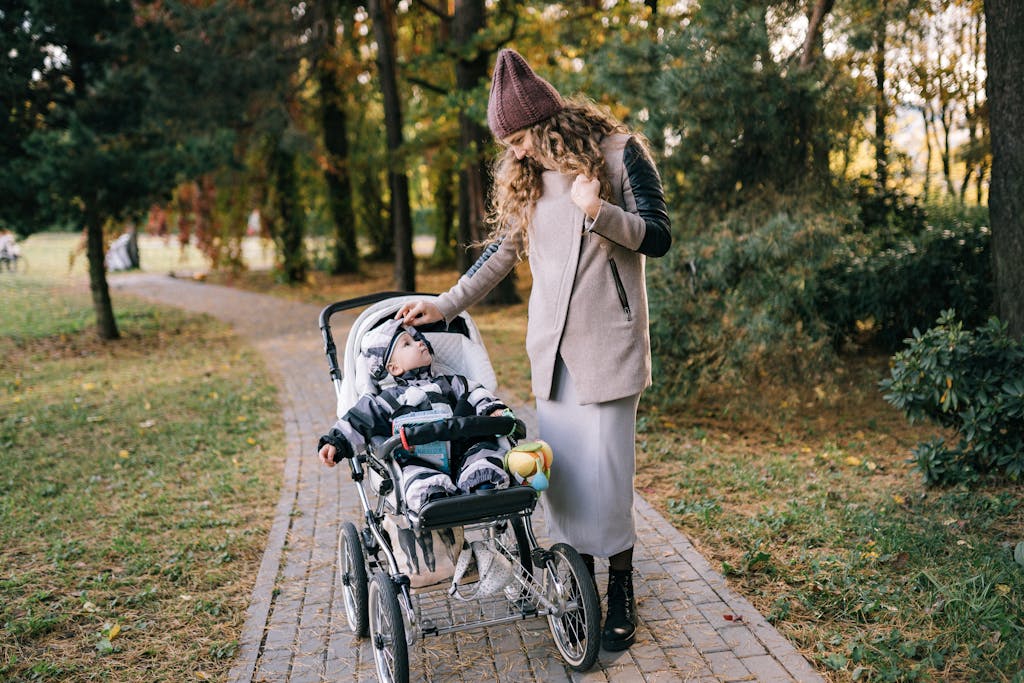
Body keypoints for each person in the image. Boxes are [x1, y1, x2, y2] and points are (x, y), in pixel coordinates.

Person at [396, 48, 671, 652]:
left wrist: (599, 212)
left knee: (610, 472)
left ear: (547, 123)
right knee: (565, 476)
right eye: (508, 141)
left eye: (519, 136)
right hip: (553, 351)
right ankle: (580, 585)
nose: (515, 151)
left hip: (609, 344)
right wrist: (444, 305)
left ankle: (621, 584)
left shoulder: (622, 155)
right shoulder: (524, 178)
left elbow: (659, 235)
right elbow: (498, 255)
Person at [316, 318, 512, 513]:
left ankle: (483, 485)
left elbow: (478, 394)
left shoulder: (451, 383)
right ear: (394, 368)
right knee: (415, 477)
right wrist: (336, 442)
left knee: (483, 454)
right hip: (419, 460)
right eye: (407, 344)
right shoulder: (388, 399)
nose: (420, 343)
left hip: (464, 449)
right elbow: (360, 420)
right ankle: (435, 497)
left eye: (418, 340)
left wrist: (492, 410)